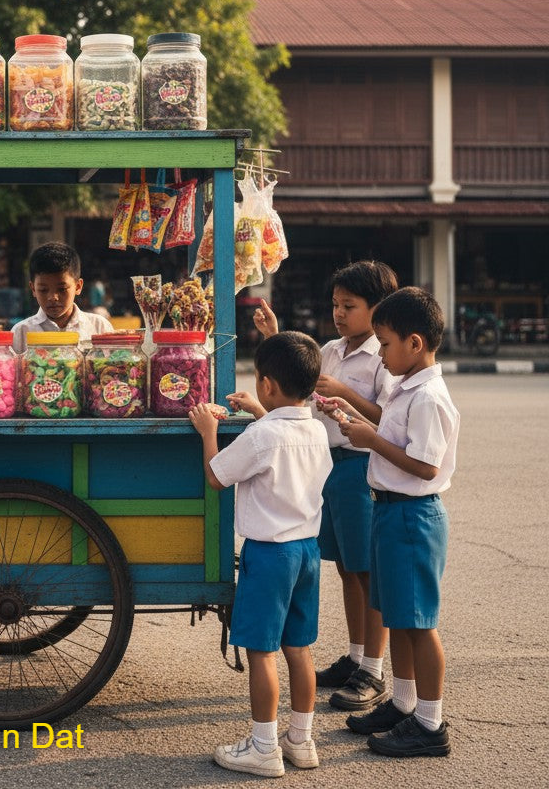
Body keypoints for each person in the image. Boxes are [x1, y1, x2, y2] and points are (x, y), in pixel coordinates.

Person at [255, 261, 399, 713]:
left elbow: (391, 422)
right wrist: (274, 335)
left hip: (362, 466)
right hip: (328, 466)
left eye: (349, 306)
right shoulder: (332, 349)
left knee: (368, 571)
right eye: (335, 304)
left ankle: (373, 670)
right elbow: (301, 387)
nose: (338, 313)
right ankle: (356, 656)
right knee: (346, 569)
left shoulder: (385, 355)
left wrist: (348, 394)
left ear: (376, 311)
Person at [190, 331, 332, 777]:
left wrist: (208, 432)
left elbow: (217, 476)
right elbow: (280, 430)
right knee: (299, 649)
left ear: (267, 384)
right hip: (307, 551)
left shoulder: (261, 435)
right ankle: (301, 740)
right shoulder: (315, 430)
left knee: (260, 653)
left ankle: (264, 747)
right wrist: (259, 411)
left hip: (270, 557)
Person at [326, 287, 457, 757]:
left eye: (385, 344)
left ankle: (431, 723)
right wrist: (355, 421)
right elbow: (395, 439)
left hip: (413, 515)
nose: (380, 353)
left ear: (415, 343)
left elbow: (424, 466)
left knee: (419, 623)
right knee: (400, 618)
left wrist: (370, 438)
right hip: (389, 509)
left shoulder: (429, 398)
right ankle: (403, 704)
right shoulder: (406, 387)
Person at [10, 242, 113, 353]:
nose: (53, 297)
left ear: (78, 286)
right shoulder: (20, 332)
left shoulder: (99, 327)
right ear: (33, 289)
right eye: (43, 290)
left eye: (62, 289)